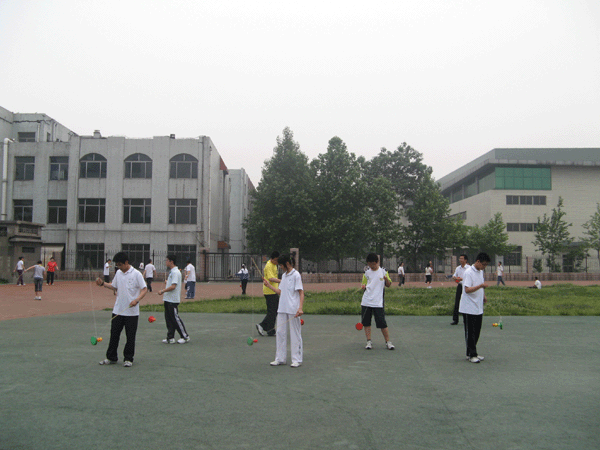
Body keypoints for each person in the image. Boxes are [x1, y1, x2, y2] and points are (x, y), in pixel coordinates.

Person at [96, 252, 147, 367]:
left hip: (132, 313)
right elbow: (114, 286)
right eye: (117, 265)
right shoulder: (118, 273)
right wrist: (102, 283)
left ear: (126, 262)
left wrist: (137, 300)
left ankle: (128, 358)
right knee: (114, 335)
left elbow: (144, 289)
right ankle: (111, 357)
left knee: (130, 337)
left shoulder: (136, 274)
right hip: (118, 310)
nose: (118, 267)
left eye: (120, 264)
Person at [263, 254, 304, 368]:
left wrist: (300, 308)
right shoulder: (284, 276)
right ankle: (280, 359)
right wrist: (269, 285)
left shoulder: (296, 275)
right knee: (280, 333)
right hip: (282, 308)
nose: (280, 267)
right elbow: (280, 291)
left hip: (293, 309)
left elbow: (301, 293)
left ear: (287, 264)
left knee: (295, 334)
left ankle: (297, 359)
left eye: (281, 265)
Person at [458, 252, 491, 363]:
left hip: (478, 306)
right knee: (470, 332)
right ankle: (472, 354)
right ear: (478, 261)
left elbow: (481, 285)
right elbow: (467, 289)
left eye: (486, 265)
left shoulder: (480, 272)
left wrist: (483, 296)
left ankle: (471, 352)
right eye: (483, 264)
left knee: (477, 331)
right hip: (469, 307)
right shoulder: (468, 272)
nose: (484, 267)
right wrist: (480, 286)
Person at [360, 253, 395, 350]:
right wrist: (363, 286)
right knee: (366, 323)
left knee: (382, 323)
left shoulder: (383, 271)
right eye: (369, 264)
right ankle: (369, 341)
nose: (372, 266)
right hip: (366, 301)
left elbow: (388, 285)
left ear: (377, 262)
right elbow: (364, 284)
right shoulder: (366, 272)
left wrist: (386, 279)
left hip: (378, 302)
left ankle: (388, 342)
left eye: (373, 264)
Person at [158, 254, 190, 344]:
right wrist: (167, 282)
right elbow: (172, 283)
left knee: (175, 319)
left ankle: (185, 336)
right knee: (168, 319)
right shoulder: (172, 272)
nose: (166, 262)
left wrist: (162, 291)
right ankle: (170, 337)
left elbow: (173, 286)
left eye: (167, 260)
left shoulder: (176, 272)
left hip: (173, 300)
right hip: (168, 299)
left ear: (171, 261)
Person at [256, 251, 280, 337]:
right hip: (269, 291)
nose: (277, 262)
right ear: (272, 259)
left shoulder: (274, 265)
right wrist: (282, 280)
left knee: (274, 311)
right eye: (276, 260)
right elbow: (271, 278)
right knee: (272, 311)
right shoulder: (269, 265)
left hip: (274, 291)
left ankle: (270, 330)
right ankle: (262, 325)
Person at [450, 254, 471, 325]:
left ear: (465, 260)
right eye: (460, 258)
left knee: (467, 302)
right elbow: (454, 276)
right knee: (457, 302)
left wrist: (461, 279)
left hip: (466, 286)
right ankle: (455, 320)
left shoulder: (469, 268)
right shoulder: (458, 268)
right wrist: (456, 278)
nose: (460, 260)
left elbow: (469, 277)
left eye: (462, 258)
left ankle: (467, 320)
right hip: (460, 286)